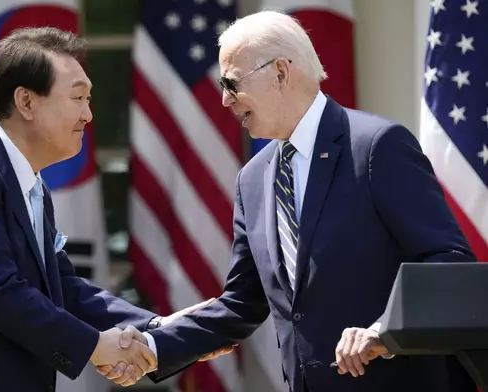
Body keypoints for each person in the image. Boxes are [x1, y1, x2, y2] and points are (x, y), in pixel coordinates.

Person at [97, 10, 478, 392]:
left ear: (280, 72)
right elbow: (241, 304)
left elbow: (447, 261)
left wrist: (384, 331)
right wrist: (152, 345)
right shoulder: (253, 179)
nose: (226, 101)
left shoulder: (376, 147)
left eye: (231, 83)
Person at [0, 27, 223, 392]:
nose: (88, 115)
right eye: (78, 98)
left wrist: (159, 329)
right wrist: (97, 347)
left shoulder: (29, 185)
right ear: (26, 102)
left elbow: (63, 288)